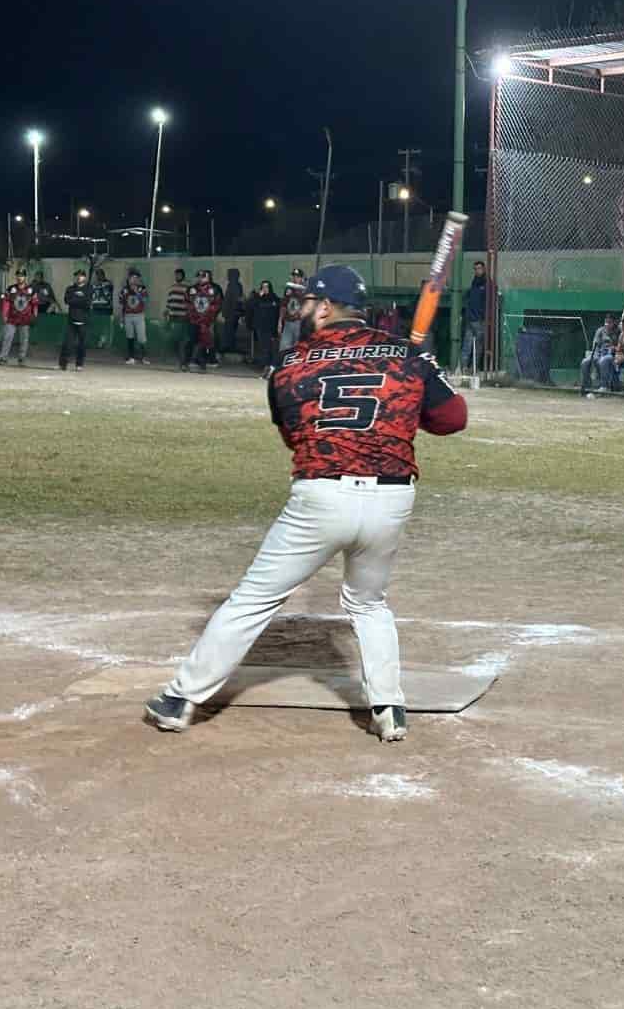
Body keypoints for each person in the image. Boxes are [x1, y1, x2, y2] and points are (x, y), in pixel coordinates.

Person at [144, 264, 469, 740]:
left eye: (308, 301)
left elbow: (292, 433)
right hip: (391, 498)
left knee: (253, 600)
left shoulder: (289, 362)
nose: (302, 308)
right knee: (369, 603)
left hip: (320, 495)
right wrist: (418, 378)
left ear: (324, 307)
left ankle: (180, 699)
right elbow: (453, 419)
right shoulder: (406, 356)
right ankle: (389, 708)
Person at [0, 269, 39, 366]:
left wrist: (35, 316)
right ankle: (3, 358)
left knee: (24, 339)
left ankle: (21, 359)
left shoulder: (31, 290)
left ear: (25, 277)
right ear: (16, 277)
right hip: (12, 318)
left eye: (22, 276)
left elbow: (35, 304)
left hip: (25, 318)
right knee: (7, 337)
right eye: (18, 276)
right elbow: (6, 303)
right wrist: (4, 315)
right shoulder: (11, 289)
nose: (20, 278)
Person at [183, 270, 223, 372]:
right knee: (192, 340)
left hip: (208, 321)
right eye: (199, 276)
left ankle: (207, 361)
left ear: (209, 277)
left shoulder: (215, 289)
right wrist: (194, 316)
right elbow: (188, 304)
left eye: (203, 276)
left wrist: (208, 317)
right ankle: (188, 362)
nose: (201, 278)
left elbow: (217, 304)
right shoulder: (192, 289)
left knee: (207, 341)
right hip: (194, 321)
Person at [59, 267, 92, 372]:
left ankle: (79, 364)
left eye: (81, 275)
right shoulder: (70, 288)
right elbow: (67, 300)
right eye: (77, 275)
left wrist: (76, 300)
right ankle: (63, 364)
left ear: (85, 277)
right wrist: (79, 300)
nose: (79, 277)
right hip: (71, 320)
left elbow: (87, 303)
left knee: (82, 344)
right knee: (67, 343)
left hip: (84, 320)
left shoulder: (89, 289)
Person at [248, 279, 282, 377]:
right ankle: (264, 367)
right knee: (263, 347)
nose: (265, 289)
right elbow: (250, 306)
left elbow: (277, 313)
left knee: (269, 348)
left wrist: (276, 329)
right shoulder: (257, 298)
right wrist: (258, 296)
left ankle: (269, 368)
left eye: (267, 287)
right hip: (260, 327)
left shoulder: (274, 298)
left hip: (270, 328)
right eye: (263, 287)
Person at [461, 260, 489, 372]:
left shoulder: (486, 283)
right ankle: (465, 367)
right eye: (475, 268)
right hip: (472, 319)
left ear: (484, 269)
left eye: (479, 268)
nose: (477, 271)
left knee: (477, 346)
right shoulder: (475, 282)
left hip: (479, 320)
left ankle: (473, 367)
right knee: (468, 345)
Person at [580, 312, 618, 392]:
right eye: (606, 322)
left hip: (612, 355)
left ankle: (604, 386)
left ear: (614, 322)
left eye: (609, 322)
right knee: (585, 362)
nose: (607, 324)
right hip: (599, 353)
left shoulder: (619, 331)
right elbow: (595, 345)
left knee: (603, 360)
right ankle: (586, 385)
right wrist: (597, 354)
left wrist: (613, 348)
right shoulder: (600, 331)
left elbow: (621, 346)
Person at [280, 268, 308, 355]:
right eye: (294, 276)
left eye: (298, 277)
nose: (295, 278)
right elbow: (283, 305)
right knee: (284, 347)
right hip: (288, 321)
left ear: (302, 278)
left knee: (298, 348)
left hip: (299, 322)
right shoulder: (288, 289)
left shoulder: (306, 289)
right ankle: (284, 367)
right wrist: (280, 321)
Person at [165, 268, 191, 362]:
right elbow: (169, 301)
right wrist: (167, 311)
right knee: (175, 337)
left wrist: (188, 313)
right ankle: (179, 357)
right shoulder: (172, 287)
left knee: (182, 338)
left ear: (183, 276)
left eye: (179, 275)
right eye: (176, 275)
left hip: (183, 315)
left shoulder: (187, 287)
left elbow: (190, 301)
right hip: (173, 315)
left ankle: (183, 358)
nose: (177, 277)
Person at [219, 268, 245, 355]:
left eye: (230, 274)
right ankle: (228, 346)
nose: (228, 276)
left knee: (229, 330)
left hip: (232, 312)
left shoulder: (235, 285)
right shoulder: (233, 285)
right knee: (229, 330)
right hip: (231, 312)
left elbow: (236, 300)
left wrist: (237, 311)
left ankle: (228, 346)